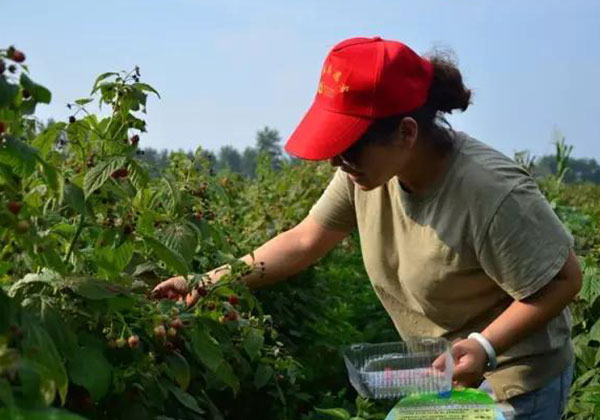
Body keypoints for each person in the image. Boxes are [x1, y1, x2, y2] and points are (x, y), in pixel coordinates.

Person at [152, 36, 582, 419]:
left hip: (515, 381)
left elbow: (564, 279)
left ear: (406, 133)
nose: (337, 163)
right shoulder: (365, 175)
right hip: (447, 373)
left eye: (349, 149)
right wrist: (208, 281)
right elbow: (305, 240)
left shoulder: (490, 193)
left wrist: (484, 346)